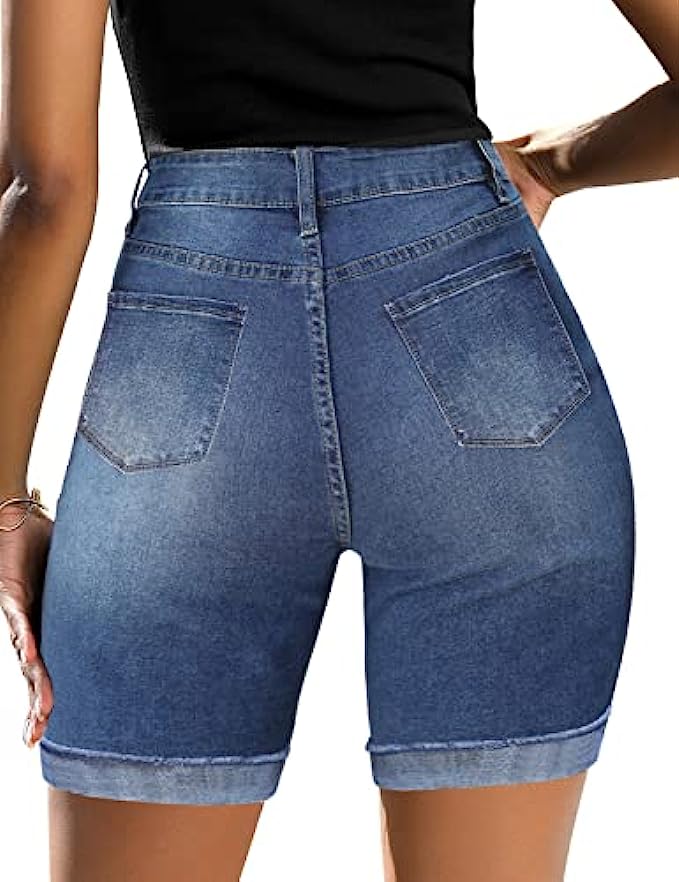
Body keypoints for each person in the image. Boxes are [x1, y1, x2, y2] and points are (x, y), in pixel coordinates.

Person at [0, 1, 676, 880]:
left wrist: (4, 502)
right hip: (477, 331)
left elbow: (47, 192)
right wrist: (551, 165)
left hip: (192, 349)